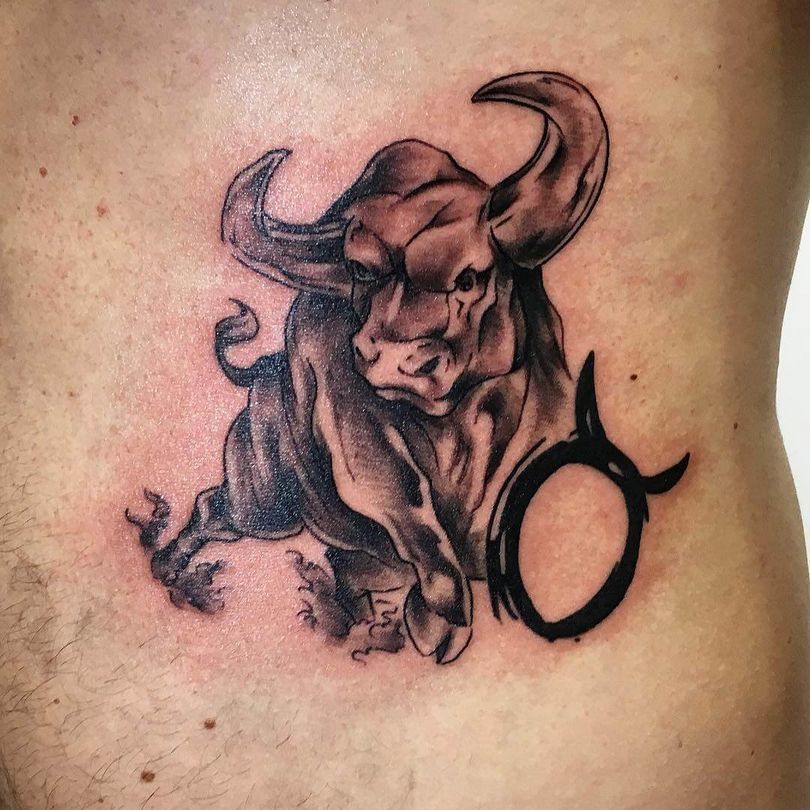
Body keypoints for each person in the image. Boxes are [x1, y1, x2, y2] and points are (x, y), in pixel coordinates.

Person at [1, 1, 808, 807]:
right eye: (371, 276)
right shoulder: (326, 331)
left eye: (460, 278)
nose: (389, 334)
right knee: (259, 503)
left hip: (603, 766)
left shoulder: (527, 332)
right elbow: (361, 463)